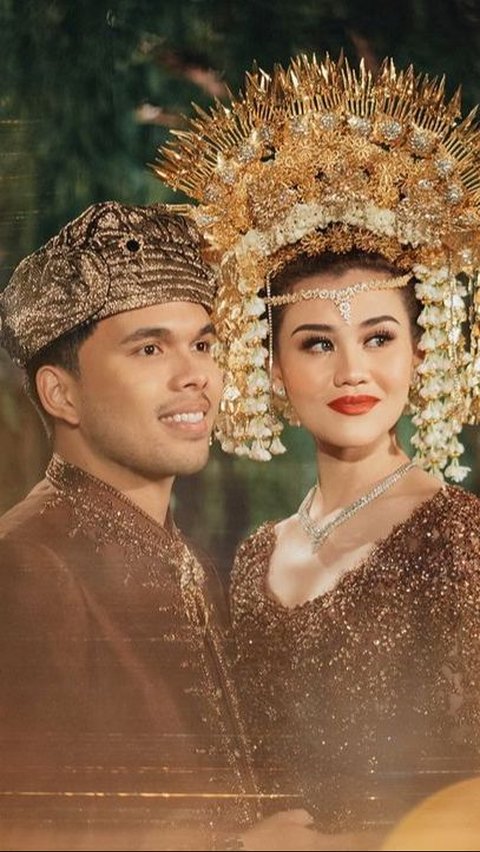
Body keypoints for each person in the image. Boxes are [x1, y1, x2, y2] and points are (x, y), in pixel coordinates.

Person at [155, 55, 480, 849]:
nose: (351, 372)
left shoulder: (460, 539)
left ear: (421, 353)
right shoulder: (260, 550)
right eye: (315, 343)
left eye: (377, 336)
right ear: (273, 369)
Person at [0, 201, 320, 852]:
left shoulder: (185, 561)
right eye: (150, 348)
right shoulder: (27, 566)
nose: (195, 375)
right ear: (61, 394)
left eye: (203, 344)